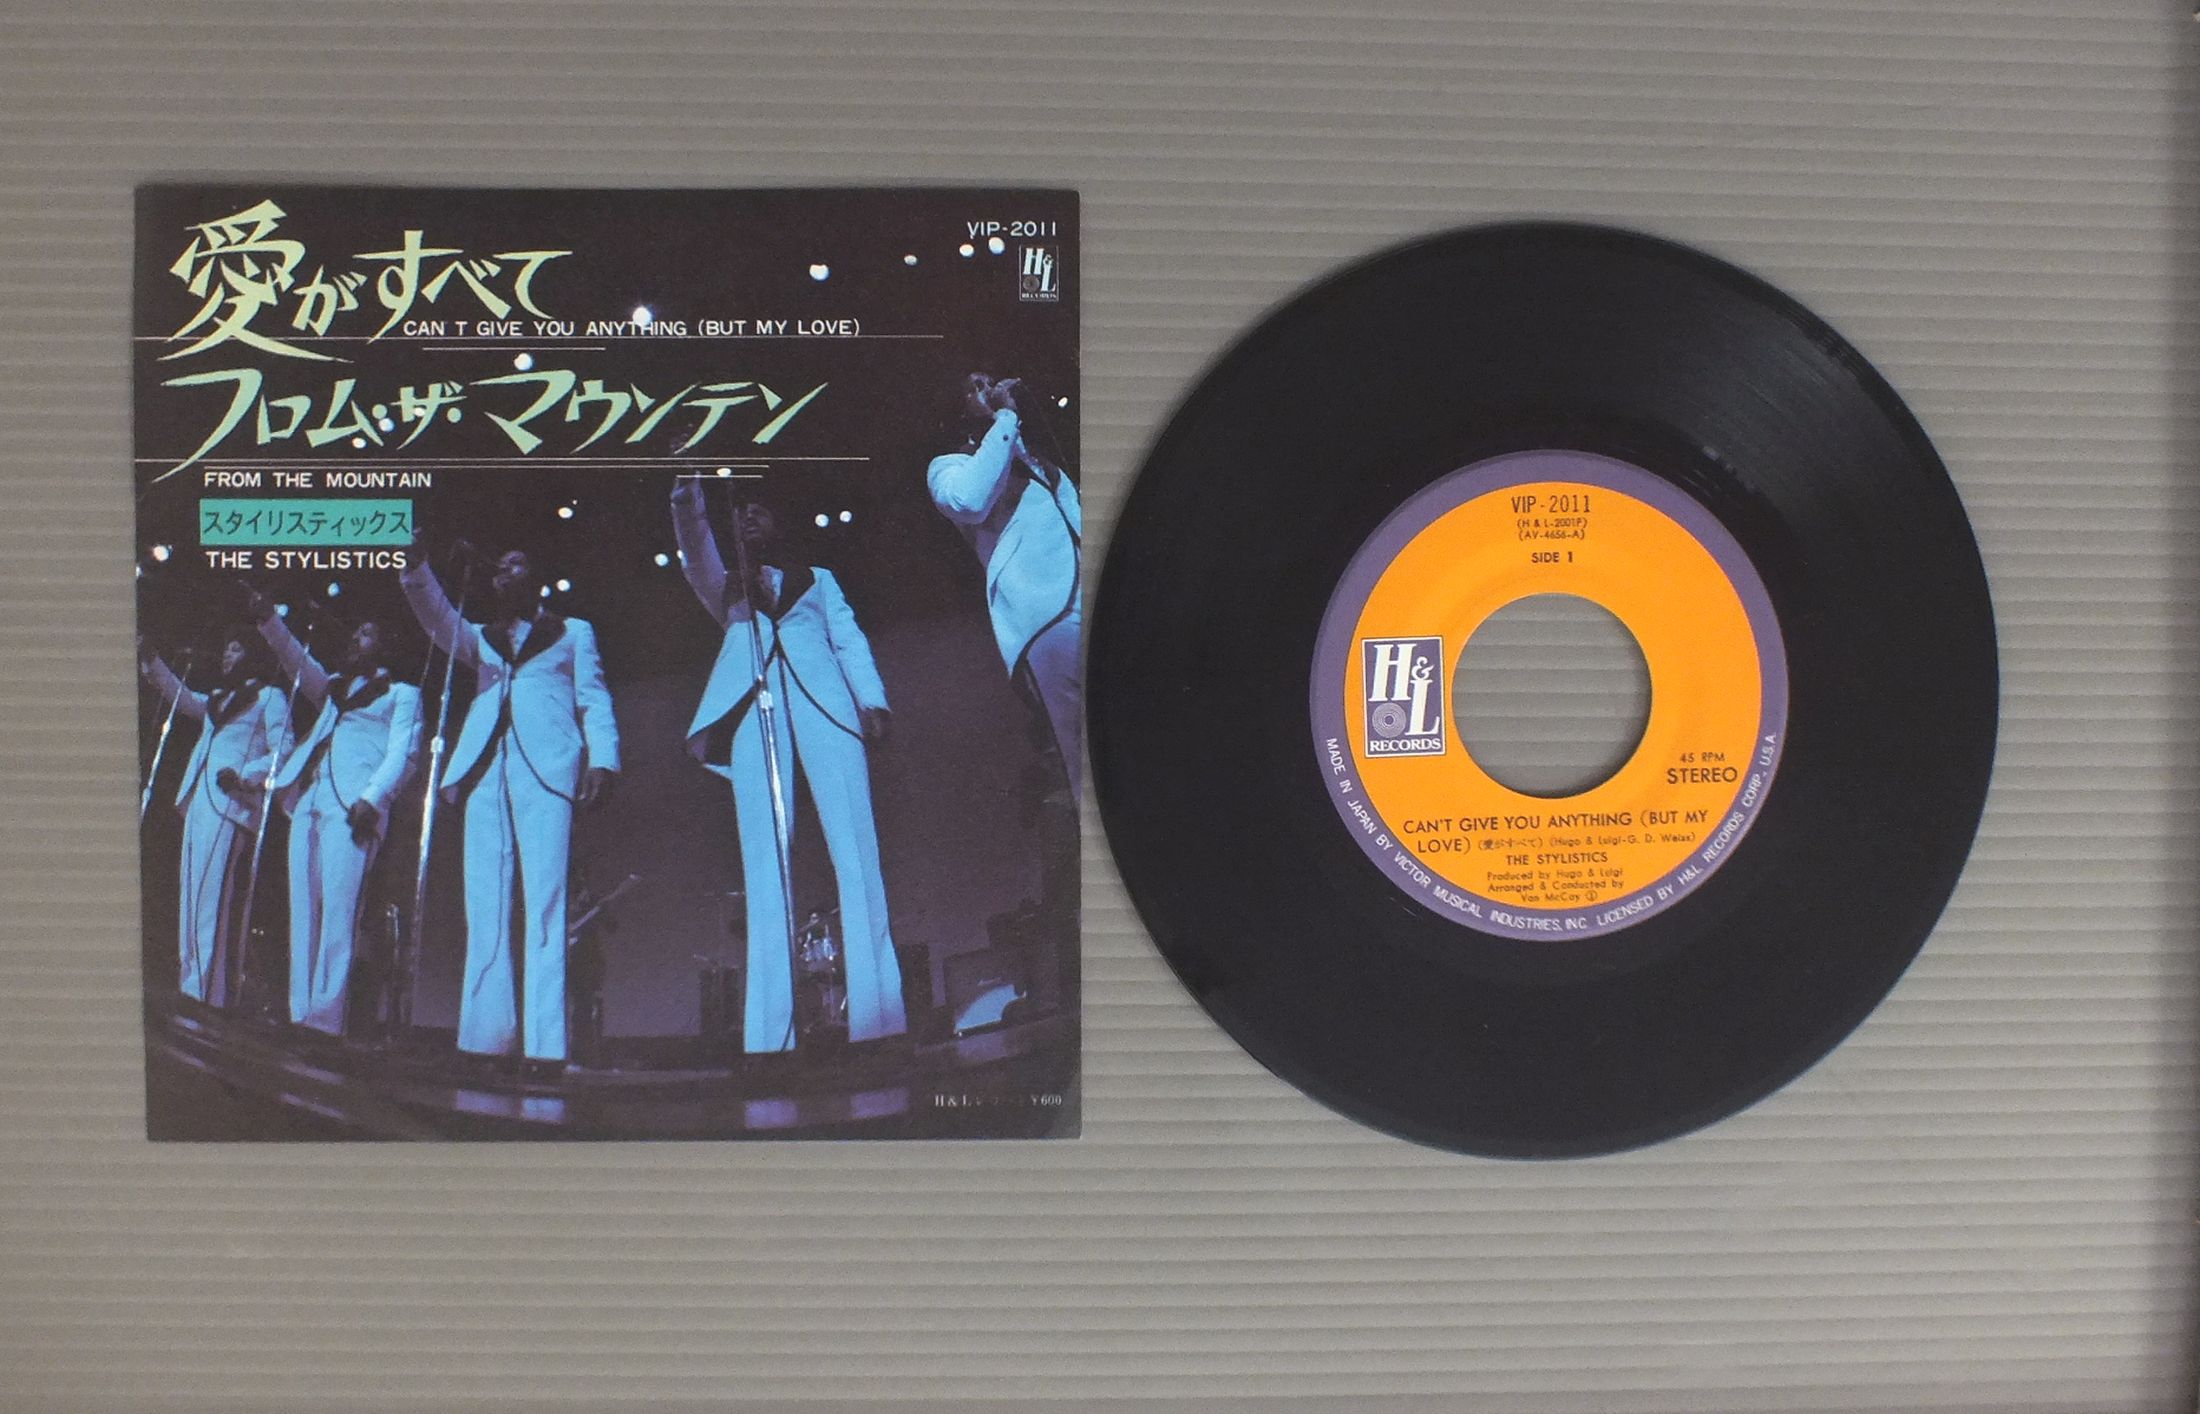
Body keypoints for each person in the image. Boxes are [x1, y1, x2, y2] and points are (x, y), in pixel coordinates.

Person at [670, 480, 906, 1051]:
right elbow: (695, 545)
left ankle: (879, 1023)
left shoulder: (819, 579)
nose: (749, 517)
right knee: (765, 865)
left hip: (827, 702)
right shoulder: (725, 584)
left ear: (780, 523)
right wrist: (686, 492)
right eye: (741, 513)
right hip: (753, 708)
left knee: (856, 853)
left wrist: (872, 700)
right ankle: (770, 1041)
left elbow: (848, 640)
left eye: (760, 510)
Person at [399, 544, 618, 1070]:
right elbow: (437, 618)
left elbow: (593, 697)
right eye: (501, 565)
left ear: (536, 577)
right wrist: (416, 567)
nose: (503, 569)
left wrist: (603, 759)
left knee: (545, 902)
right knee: (485, 903)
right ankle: (485, 1040)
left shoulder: (574, 632)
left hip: (548, 763)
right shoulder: (483, 638)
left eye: (516, 562)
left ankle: (545, 1048)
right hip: (484, 766)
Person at [250, 594, 421, 1036]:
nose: (356, 638)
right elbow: (297, 661)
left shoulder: (402, 695)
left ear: (385, 646)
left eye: (367, 633)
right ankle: (299, 1014)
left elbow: (404, 753)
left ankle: (325, 1021)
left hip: (353, 804)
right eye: (356, 632)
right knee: (303, 909)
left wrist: (374, 798)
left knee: (339, 913)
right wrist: (270, 621)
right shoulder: (334, 687)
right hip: (309, 796)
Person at [926, 372, 1083, 800]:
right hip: (1043, 617)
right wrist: (1006, 419)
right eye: (976, 385)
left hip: (1084, 597)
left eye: (989, 381)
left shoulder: (1028, 454)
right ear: (958, 405)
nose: (991, 388)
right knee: (1079, 750)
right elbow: (968, 501)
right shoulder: (948, 466)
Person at [139, 628, 290, 1006]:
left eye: (235, 649)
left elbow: (283, 749)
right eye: (226, 649)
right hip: (199, 800)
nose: (227, 655)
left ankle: (207, 995)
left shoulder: (269, 697)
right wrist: (153, 660)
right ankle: (189, 984)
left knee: (212, 901)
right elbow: (183, 698)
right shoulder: (218, 699)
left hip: (231, 800)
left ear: (252, 656)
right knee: (190, 897)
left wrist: (247, 776)